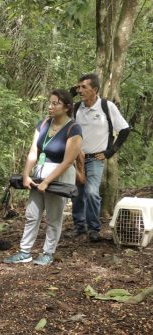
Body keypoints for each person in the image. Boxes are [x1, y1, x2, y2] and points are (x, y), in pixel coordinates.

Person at [4, 90, 82, 266]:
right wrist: (26, 175)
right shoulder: (44, 123)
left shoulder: (73, 128)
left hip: (59, 175)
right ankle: (25, 251)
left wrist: (48, 181)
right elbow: (34, 151)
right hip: (39, 173)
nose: (50, 106)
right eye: (50, 102)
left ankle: (48, 252)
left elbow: (68, 160)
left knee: (54, 217)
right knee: (32, 214)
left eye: (55, 103)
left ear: (67, 107)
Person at [66, 73, 130, 242]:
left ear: (94, 89)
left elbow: (124, 129)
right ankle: (79, 227)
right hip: (76, 158)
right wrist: (70, 93)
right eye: (78, 87)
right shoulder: (77, 108)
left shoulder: (106, 106)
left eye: (84, 87)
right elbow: (60, 113)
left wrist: (111, 151)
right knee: (77, 194)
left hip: (96, 158)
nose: (80, 90)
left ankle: (93, 228)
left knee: (92, 192)